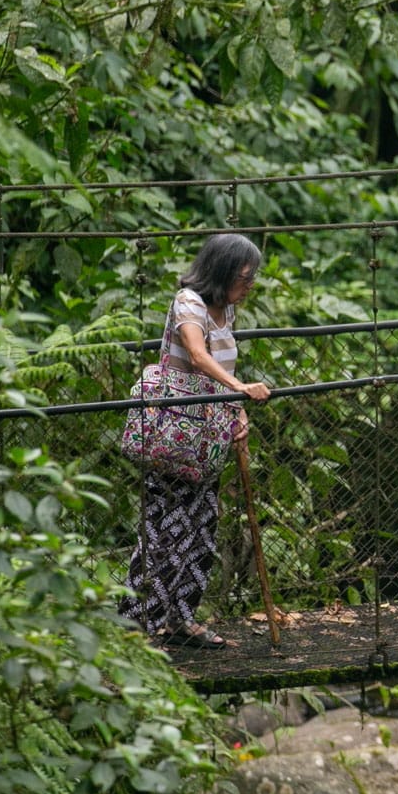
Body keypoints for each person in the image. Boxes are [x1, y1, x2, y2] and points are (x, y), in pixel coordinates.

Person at [120, 233, 272, 647]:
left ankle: (180, 619)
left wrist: (238, 412)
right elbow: (197, 354)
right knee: (163, 532)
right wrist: (241, 390)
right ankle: (136, 628)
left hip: (207, 438)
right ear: (222, 272)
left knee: (202, 528)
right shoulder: (189, 302)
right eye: (244, 276)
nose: (250, 284)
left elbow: (223, 366)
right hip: (174, 435)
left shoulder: (227, 310)